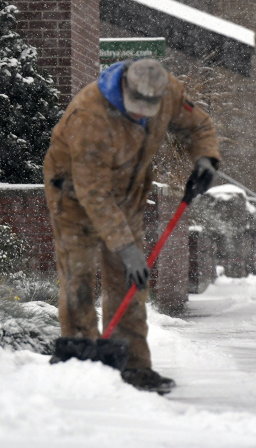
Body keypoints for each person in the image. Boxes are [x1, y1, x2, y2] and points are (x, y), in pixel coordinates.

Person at [44, 58, 220, 392]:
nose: (141, 116)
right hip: (73, 196)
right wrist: (125, 247)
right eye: (135, 109)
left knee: (130, 283)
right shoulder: (90, 116)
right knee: (78, 276)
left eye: (148, 111)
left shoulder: (167, 92)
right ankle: (80, 363)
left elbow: (198, 126)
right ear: (124, 87)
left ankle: (134, 366)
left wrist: (205, 159)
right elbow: (92, 192)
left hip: (128, 193)